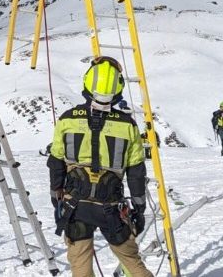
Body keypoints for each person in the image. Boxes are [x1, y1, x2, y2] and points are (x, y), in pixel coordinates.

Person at [48, 57, 152, 277]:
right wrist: (139, 208)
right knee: (132, 262)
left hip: (75, 206)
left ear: (87, 82)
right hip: (111, 207)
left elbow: (56, 162)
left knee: (81, 267)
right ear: (118, 87)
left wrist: (56, 197)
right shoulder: (127, 125)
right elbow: (136, 172)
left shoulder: (67, 119)